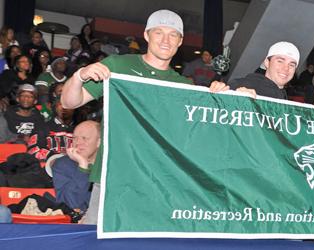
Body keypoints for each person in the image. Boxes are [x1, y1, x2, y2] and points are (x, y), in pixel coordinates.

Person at [61, 9, 229, 224]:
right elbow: (68, 102)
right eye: (159, 33)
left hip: (158, 184)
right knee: (97, 241)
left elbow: (200, 133)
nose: (166, 40)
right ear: (147, 35)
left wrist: (227, 98)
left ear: (180, 41)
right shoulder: (118, 66)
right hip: (114, 179)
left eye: (173, 35)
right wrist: (79, 76)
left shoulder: (184, 86)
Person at [52, 120, 100, 218]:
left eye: (84, 138)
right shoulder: (63, 164)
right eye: (75, 138)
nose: (78, 142)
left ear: (99, 142)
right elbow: (69, 204)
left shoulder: (110, 165)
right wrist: (83, 167)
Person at [228, 41, 299, 100]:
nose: (286, 68)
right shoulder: (244, 85)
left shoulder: (284, 98)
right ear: (267, 63)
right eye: (280, 61)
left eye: (291, 65)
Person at [4, 84, 48, 160]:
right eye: (23, 95)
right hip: (11, 151)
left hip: (32, 152)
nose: (26, 98)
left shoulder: (39, 118)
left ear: (35, 101)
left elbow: (41, 137)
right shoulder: (7, 116)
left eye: (30, 96)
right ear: (18, 99)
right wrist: (20, 137)